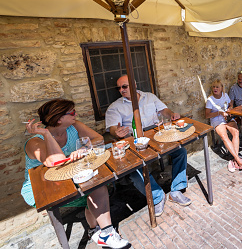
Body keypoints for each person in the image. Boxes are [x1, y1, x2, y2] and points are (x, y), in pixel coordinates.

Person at [22, 99, 129, 248]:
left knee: (97, 185)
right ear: (59, 119)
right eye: (72, 112)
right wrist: (46, 134)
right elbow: (56, 161)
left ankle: (99, 232)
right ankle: (103, 233)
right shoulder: (34, 142)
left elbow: (97, 139)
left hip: (69, 177)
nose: (76, 114)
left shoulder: (74, 126)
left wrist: (84, 148)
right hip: (44, 189)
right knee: (94, 190)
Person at [106, 75, 191, 212]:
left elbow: (163, 110)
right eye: (119, 88)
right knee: (135, 169)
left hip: (157, 136)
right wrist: (117, 132)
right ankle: (157, 197)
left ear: (134, 85)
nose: (121, 90)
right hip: (134, 142)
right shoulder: (115, 107)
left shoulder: (149, 97)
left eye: (124, 86)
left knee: (180, 151)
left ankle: (176, 190)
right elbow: (112, 128)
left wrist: (171, 115)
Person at [205, 80, 242, 172]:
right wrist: (219, 113)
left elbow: (230, 104)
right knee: (224, 136)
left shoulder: (225, 95)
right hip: (217, 120)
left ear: (222, 88)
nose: (215, 88)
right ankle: (237, 159)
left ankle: (234, 159)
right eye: (213, 87)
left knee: (236, 132)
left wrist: (230, 108)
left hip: (227, 118)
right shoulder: (210, 100)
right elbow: (207, 115)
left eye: (217, 87)